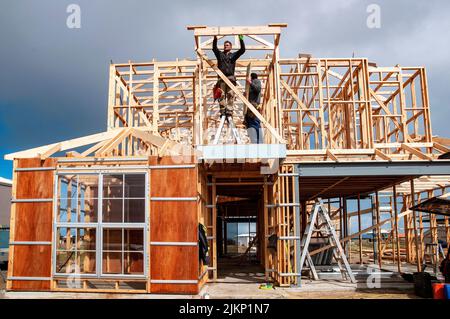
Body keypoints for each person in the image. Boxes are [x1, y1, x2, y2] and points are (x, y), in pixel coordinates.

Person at [212, 35, 246, 117]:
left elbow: (242, 50)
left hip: (230, 79)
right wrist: (215, 39)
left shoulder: (233, 55)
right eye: (225, 45)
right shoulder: (220, 55)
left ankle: (229, 111)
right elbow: (214, 49)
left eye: (227, 45)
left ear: (230, 47)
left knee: (230, 94)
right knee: (221, 95)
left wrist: (241, 40)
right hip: (222, 79)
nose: (225, 46)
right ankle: (223, 110)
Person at [244, 73, 263, 144]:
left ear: (252, 78)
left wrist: (250, 82)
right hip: (250, 107)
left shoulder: (256, 81)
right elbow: (252, 94)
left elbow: (257, 89)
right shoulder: (251, 86)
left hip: (254, 107)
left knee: (255, 124)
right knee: (249, 124)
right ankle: (255, 142)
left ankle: (259, 142)